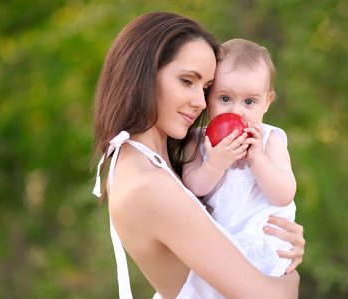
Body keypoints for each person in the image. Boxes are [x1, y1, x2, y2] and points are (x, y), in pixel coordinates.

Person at [92, 12, 305, 299]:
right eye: (186, 81)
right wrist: (290, 281)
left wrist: (271, 244)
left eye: (206, 88)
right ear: (142, 74)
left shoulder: (152, 161)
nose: (200, 102)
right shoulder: (148, 183)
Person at [182, 38, 297, 277]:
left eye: (249, 101)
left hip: (258, 243)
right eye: (225, 98)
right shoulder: (198, 139)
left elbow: (284, 195)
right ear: (208, 98)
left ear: (267, 102)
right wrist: (215, 164)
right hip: (217, 249)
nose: (236, 111)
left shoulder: (269, 140)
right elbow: (192, 187)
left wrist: (258, 160)